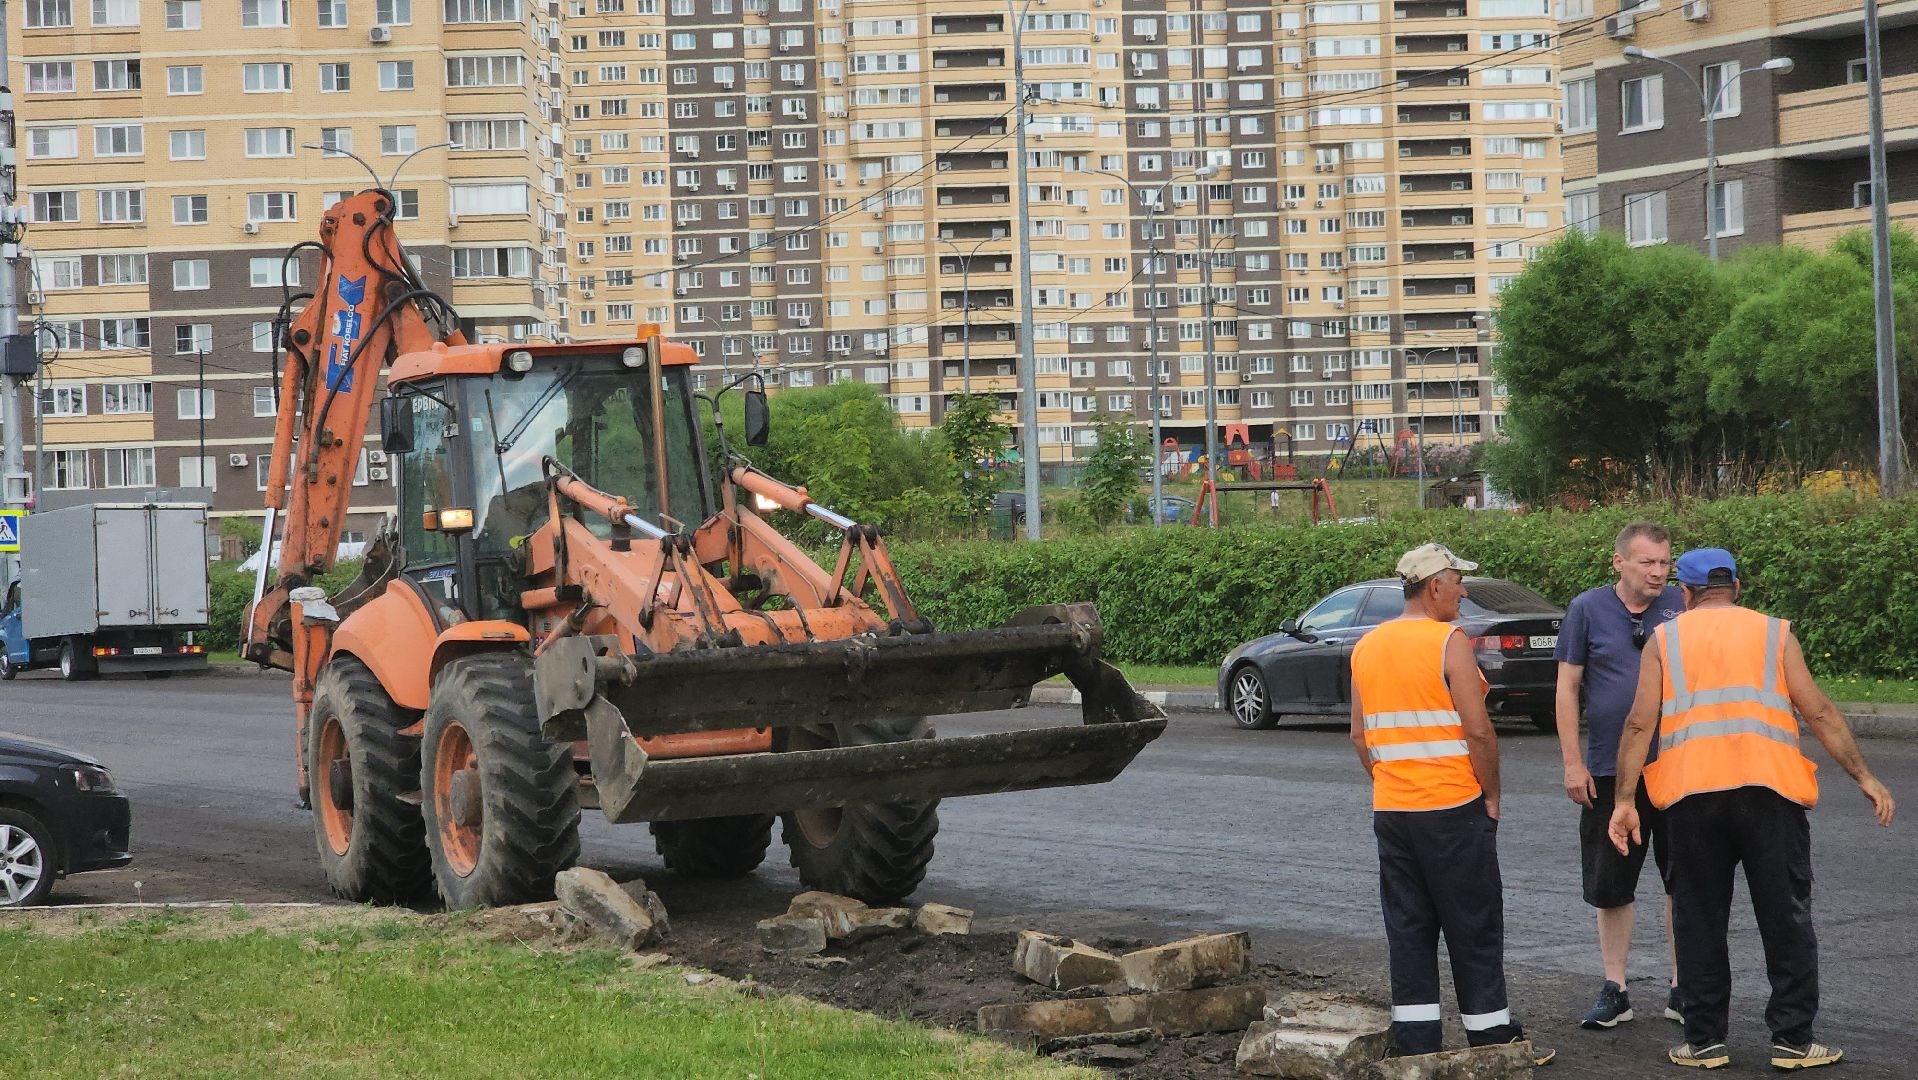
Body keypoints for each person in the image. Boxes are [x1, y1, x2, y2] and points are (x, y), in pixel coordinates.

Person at [1610, 548, 1895, 1071]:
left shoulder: (1664, 640)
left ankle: (1704, 1043)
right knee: (1785, 917)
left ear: (1686, 593)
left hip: (1692, 800)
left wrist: (1625, 800)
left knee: (1698, 919)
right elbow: (1820, 711)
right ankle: (1792, 1040)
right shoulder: (1775, 634)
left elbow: (1637, 724)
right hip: (1771, 796)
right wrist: (1864, 775)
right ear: (1736, 586)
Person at [1350, 543, 1554, 1067]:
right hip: (1452, 807)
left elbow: (1359, 736)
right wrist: (1491, 795)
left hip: (1393, 810)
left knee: (1409, 925)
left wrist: (1394, 779)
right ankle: (1490, 1040)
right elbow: (1479, 731)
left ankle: (1417, 1043)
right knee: (1473, 924)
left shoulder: (1367, 645)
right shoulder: (1449, 640)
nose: (1464, 591)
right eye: (1457, 582)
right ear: (1434, 586)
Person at [1554, 521, 1687, 1030]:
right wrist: (1572, 761)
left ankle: (1683, 986)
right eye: (1647, 562)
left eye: (1664, 562)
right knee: (1611, 884)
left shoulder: (1681, 603)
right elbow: (1567, 689)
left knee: (1685, 880)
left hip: (1676, 769)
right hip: (1609, 770)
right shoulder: (1587, 609)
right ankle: (1616, 988)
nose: (1658, 572)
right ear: (1619, 563)